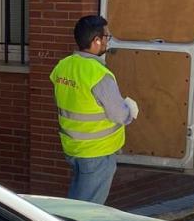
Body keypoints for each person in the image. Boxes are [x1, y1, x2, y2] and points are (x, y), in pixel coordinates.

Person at [50, 15, 139, 204]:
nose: (108, 41)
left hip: (73, 148)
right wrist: (130, 109)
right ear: (96, 40)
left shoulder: (63, 66)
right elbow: (119, 114)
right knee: (87, 211)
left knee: (77, 202)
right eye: (107, 36)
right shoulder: (98, 74)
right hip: (97, 152)